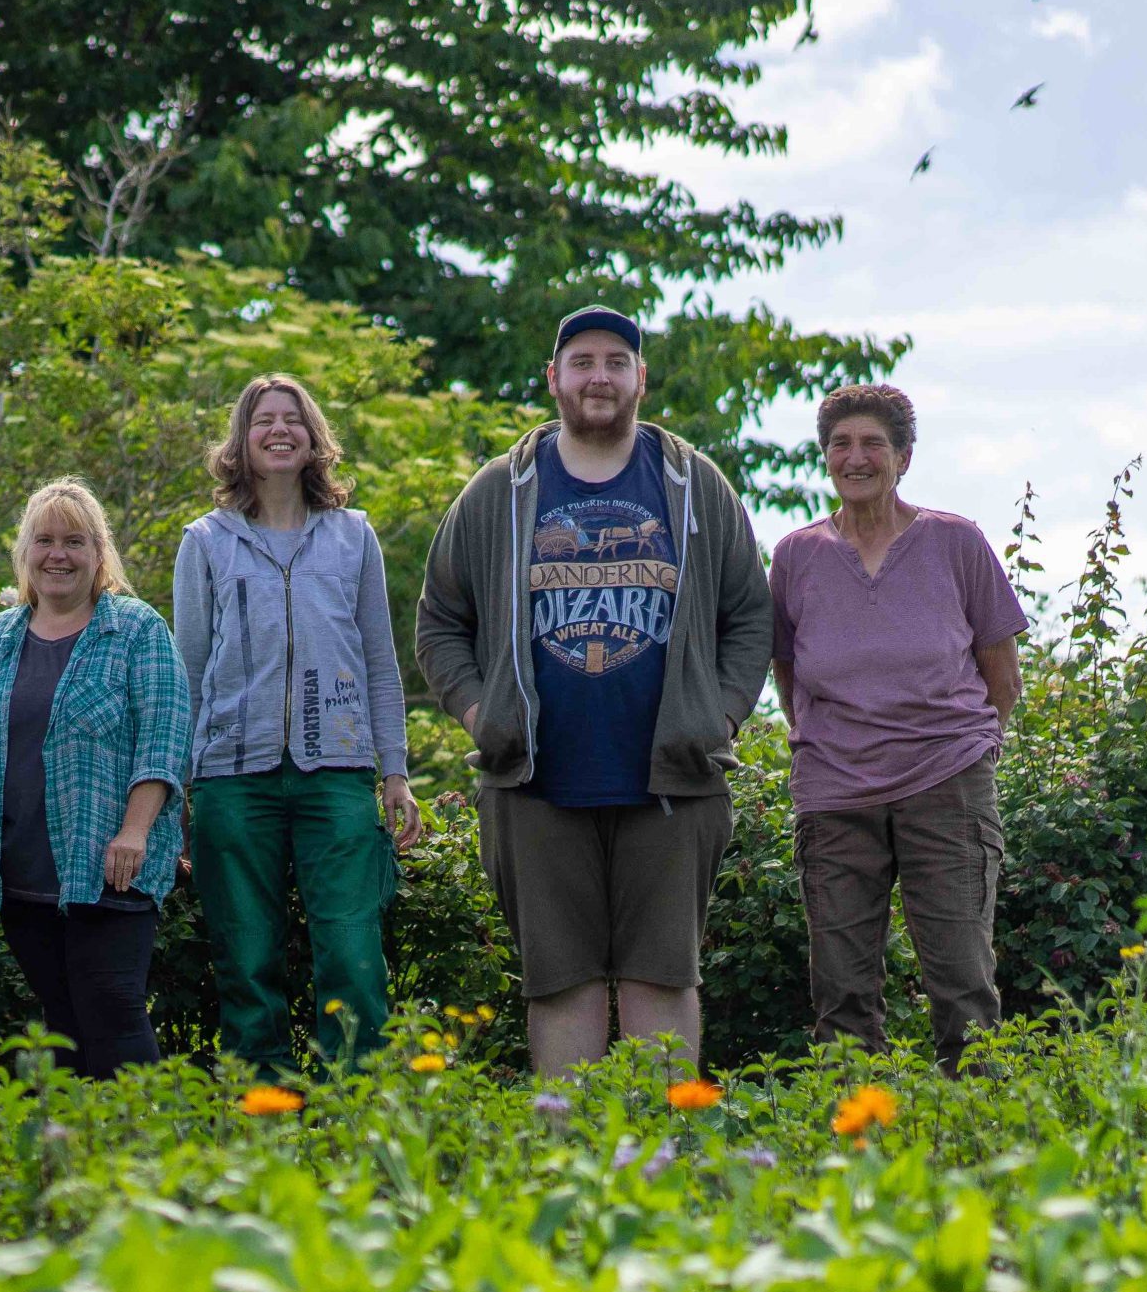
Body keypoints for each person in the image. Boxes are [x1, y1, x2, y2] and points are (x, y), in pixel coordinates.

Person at [416, 306, 771, 1079]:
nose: (599, 376)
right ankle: (572, 1169)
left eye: (617, 361)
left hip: (672, 778)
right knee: (560, 981)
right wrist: (482, 713)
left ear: (642, 377)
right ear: (554, 379)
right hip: (534, 781)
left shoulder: (692, 484)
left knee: (663, 975)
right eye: (582, 362)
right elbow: (440, 620)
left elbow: (749, 615)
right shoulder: (497, 492)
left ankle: (660, 1163)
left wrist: (722, 716)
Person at [771, 384, 1025, 1074]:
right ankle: (856, 1144)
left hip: (947, 785)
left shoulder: (956, 542)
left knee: (962, 980)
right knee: (842, 993)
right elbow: (790, 674)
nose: (856, 458)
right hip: (835, 795)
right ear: (825, 457)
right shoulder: (796, 556)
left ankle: (977, 1139)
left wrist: (971, 752)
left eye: (873, 445)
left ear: (904, 457)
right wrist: (827, 743)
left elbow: (1002, 676)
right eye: (841, 444)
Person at [172, 374, 421, 1074]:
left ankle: (360, 1116)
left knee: (352, 954)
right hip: (229, 779)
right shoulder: (206, 540)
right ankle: (263, 1125)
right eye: (263, 421)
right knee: (246, 959)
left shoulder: (353, 536)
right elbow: (186, 671)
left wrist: (394, 772)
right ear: (241, 442)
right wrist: (176, 787)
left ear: (314, 439)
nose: (279, 430)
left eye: (293, 419)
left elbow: (380, 661)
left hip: (337, 774)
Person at [0, 479, 190, 1078]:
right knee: (61, 1018)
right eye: (44, 541)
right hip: (21, 869)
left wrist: (135, 831)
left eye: (75, 541)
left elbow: (164, 740)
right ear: (24, 554)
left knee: (113, 1007)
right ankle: (75, 1159)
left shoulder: (138, 631)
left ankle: (148, 1152)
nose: (58, 555)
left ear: (99, 554)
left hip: (111, 864)